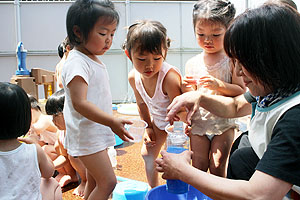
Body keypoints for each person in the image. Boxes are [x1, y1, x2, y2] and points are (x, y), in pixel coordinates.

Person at [156, 3, 300, 199]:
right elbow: (235, 105)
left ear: (272, 58)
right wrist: (198, 96)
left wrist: (182, 171)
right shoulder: (277, 89)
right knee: (242, 158)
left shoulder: (295, 117)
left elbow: (258, 195)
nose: (239, 72)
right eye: (235, 62)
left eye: (245, 62)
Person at [61, 0, 134, 199]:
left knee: (94, 181)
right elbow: (80, 103)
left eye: (112, 33)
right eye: (103, 34)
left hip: (94, 133)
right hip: (86, 135)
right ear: (78, 32)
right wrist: (111, 121)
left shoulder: (91, 59)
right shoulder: (77, 62)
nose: (109, 40)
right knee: (108, 182)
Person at [182, 0, 245, 177]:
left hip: (223, 122)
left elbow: (240, 90)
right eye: (200, 34)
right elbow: (191, 96)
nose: (207, 40)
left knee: (217, 165)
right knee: (198, 165)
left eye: (216, 35)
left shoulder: (231, 60)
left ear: (229, 29)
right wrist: (187, 89)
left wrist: (219, 85)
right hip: (200, 122)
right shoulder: (192, 63)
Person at [123, 20, 185, 188]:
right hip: (159, 122)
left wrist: (175, 137)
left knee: (171, 160)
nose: (149, 65)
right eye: (142, 59)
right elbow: (142, 104)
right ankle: (153, 190)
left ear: (164, 52)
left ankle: (175, 192)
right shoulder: (133, 77)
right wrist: (148, 127)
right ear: (128, 54)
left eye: (157, 58)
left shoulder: (169, 78)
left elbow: (180, 111)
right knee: (147, 154)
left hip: (177, 123)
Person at [0, 82, 62, 200]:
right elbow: (49, 172)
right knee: (52, 184)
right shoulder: (33, 149)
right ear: (24, 117)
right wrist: (35, 143)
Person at [45, 89, 86, 196]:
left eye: (56, 116)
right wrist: (49, 166)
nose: (53, 121)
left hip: (94, 167)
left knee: (73, 156)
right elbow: (64, 156)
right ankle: (71, 176)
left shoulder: (81, 132)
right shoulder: (61, 133)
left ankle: (86, 181)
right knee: (54, 148)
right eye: (52, 117)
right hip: (79, 164)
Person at [28, 95, 58, 159]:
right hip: (55, 148)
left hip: (63, 150)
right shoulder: (36, 123)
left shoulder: (44, 119)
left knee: (45, 149)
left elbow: (35, 130)